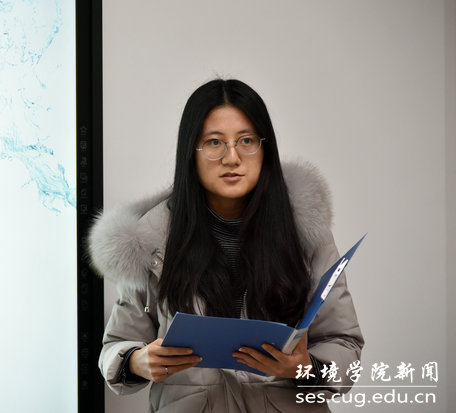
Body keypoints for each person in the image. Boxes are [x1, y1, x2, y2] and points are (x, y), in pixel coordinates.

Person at [88, 79, 364, 412]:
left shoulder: (303, 231)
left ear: (265, 148)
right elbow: (117, 344)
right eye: (214, 142)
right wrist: (136, 361)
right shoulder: (151, 239)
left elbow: (344, 342)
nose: (232, 158)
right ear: (191, 151)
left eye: (246, 141)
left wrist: (304, 367)